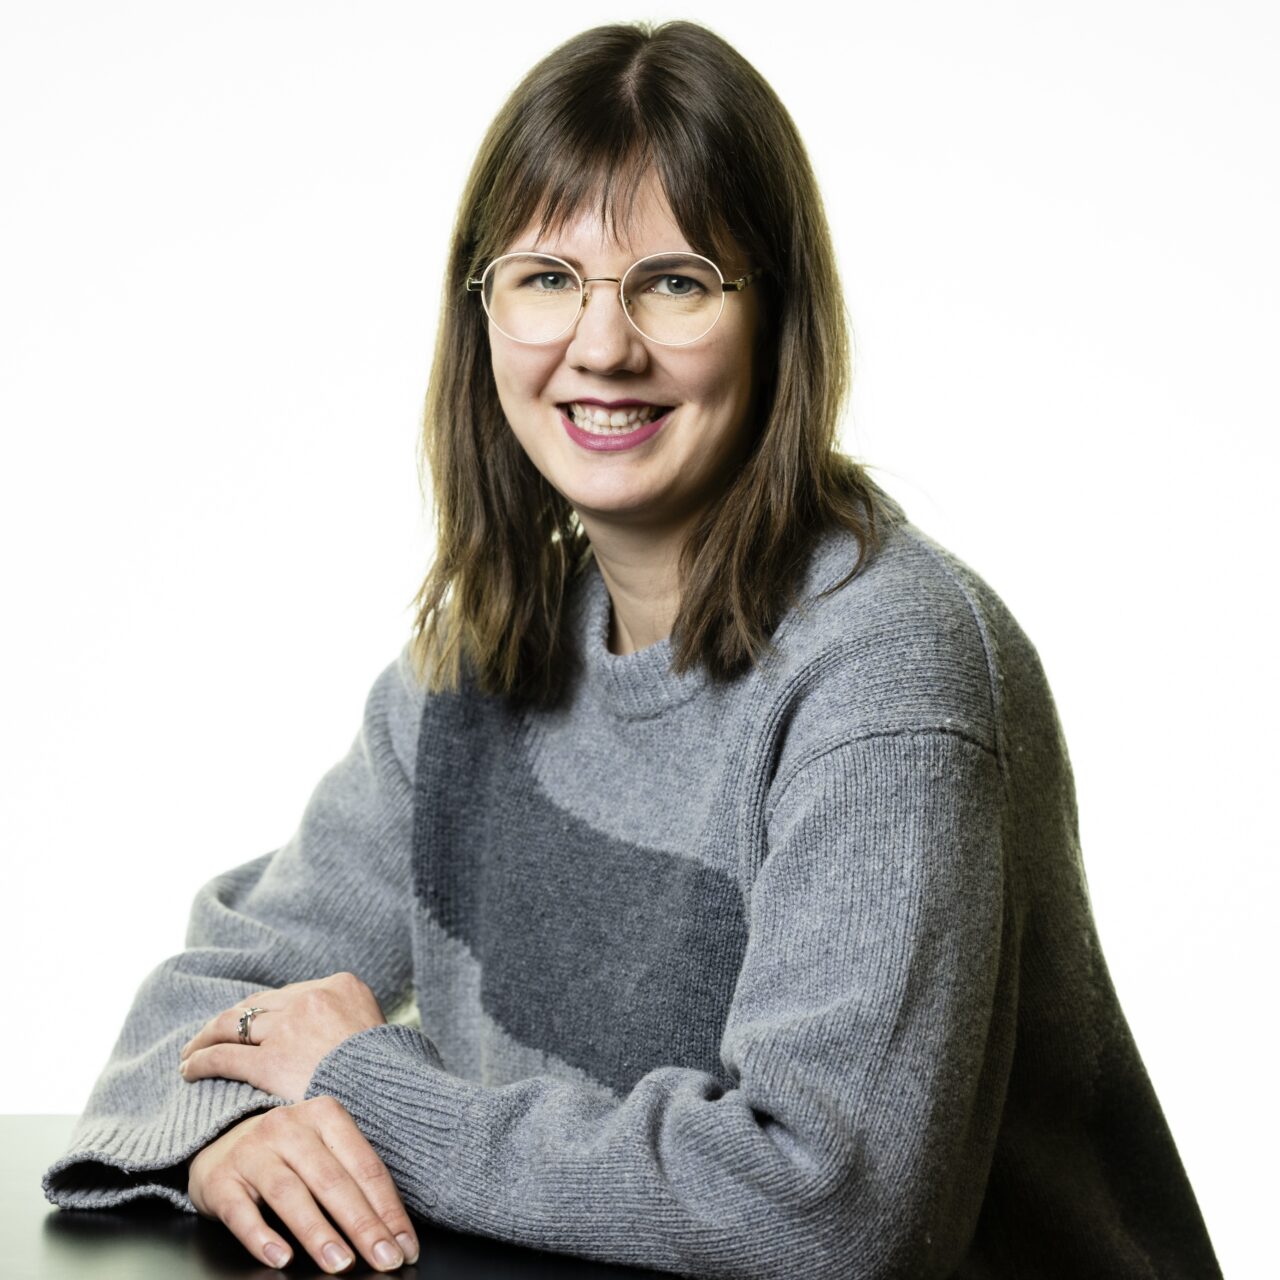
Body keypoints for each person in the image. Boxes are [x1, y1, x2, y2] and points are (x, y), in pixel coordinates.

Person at [43, 18, 1221, 1280]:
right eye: (546, 277)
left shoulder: (885, 673)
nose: (601, 346)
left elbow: (827, 1208)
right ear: (483, 314)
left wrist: (364, 1087)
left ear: (777, 317)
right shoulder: (471, 668)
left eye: (673, 282)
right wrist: (235, 1129)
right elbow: (205, 1008)